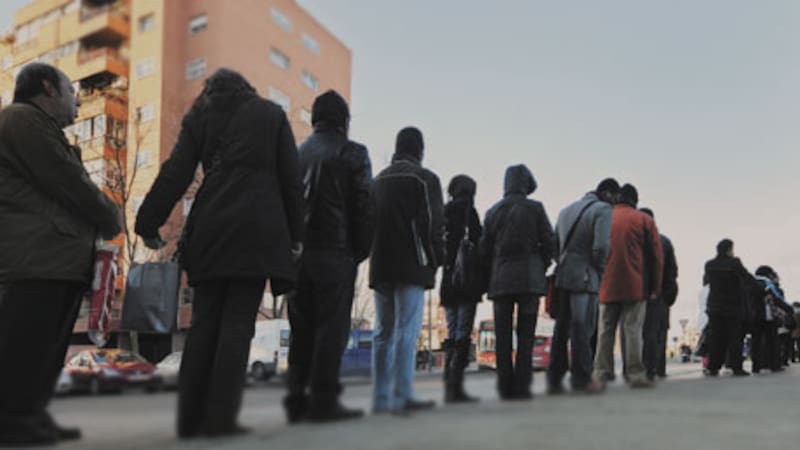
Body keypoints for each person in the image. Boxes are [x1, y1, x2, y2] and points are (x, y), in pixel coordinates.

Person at [135, 68, 304, 438]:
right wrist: (296, 236)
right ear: (247, 88)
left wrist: (147, 223)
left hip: (210, 227)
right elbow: (291, 180)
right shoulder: (271, 114)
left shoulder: (200, 115)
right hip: (257, 230)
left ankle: (189, 420)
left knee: (203, 324)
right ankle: (221, 420)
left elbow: (176, 172)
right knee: (237, 326)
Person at [0, 63, 122, 446]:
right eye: (72, 91)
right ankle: (12, 422)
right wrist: (111, 216)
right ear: (48, 87)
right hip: (34, 259)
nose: (78, 102)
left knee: (45, 352)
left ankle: (31, 417)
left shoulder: (40, 127)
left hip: (55, 259)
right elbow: (70, 183)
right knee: (25, 349)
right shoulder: (22, 120)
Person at [283, 90, 372, 423]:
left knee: (301, 330)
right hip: (335, 252)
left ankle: (295, 400)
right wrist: (358, 251)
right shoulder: (353, 153)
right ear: (344, 121)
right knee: (331, 331)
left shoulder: (295, 155)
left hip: (298, 256)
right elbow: (365, 206)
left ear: (314, 119)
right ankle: (323, 401)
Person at [369, 127, 444, 415]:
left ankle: (380, 398)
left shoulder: (377, 180)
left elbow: (367, 221)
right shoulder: (425, 179)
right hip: (412, 263)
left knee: (382, 332)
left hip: (380, 264)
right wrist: (436, 260)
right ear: (420, 150)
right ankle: (402, 396)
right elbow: (432, 224)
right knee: (406, 331)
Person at [481, 164, 554, 400]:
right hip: (529, 280)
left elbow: (484, 249)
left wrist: (493, 269)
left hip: (500, 281)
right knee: (526, 335)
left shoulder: (493, 212)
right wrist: (541, 265)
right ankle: (522, 386)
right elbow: (549, 242)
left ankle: (505, 386)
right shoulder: (535, 208)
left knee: (502, 336)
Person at [546, 178, 618, 395]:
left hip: (563, 275)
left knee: (561, 329)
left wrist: (565, 262)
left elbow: (554, 245)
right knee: (582, 328)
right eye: (615, 199)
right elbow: (601, 246)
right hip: (586, 276)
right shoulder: (603, 210)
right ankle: (582, 379)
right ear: (608, 193)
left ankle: (554, 378)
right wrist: (600, 271)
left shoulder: (565, 210)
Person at [593, 184, 663, 389]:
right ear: (635, 201)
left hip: (606, 284)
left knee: (605, 330)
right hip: (634, 284)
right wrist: (655, 288)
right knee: (633, 330)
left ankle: (601, 373)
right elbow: (657, 257)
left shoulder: (604, 217)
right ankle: (635, 374)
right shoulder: (644, 220)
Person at [440, 174, 483, 403]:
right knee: (462, 332)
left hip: (448, 281)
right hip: (467, 281)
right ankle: (455, 386)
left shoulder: (445, 211)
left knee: (451, 330)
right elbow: (480, 243)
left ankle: (448, 382)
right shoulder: (469, 212)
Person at [702, 239, 751, 377]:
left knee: (716, 337)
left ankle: (713, 367)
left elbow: (705, 281)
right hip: (732, 306)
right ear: (729, 250)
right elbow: (746, 278)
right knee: (735, 338)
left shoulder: (709, 264)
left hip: (714, 306)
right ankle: (736, 367)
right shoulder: (734, 263)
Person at [640, 207, 679, 380]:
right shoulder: (664, 241)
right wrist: (668, 293)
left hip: (639, 292)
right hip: (660, 294)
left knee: (638, 331)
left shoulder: (635, 239)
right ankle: (658, 369)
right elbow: (672, 270)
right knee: (658, 333)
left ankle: (641, 368)